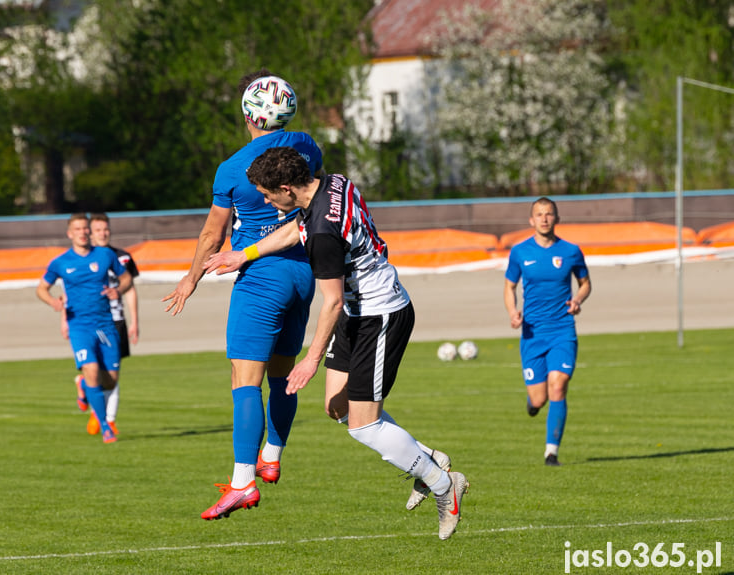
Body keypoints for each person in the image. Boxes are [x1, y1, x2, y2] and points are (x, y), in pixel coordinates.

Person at [205, 146, 469, 541]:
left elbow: (328, 301)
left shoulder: (325, 236)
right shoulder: (333, 183)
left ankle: (445, 486)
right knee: (337, 407)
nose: (263, 201)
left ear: (285, 189)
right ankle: (427, 459)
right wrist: (245, 253)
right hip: (356, 311)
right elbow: (299, 227)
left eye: (266, 193)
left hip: (378, 317)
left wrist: (311, 359)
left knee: (364, 426)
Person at [161, 71, 323, 521]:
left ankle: (242, 483)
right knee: (282, 375)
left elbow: (213, 232)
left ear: (247, 113)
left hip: (260, 277)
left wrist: (189, 280)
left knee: (244, 381)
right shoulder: (306, 146)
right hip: (304, 272)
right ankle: (272, 453)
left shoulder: (232, 169)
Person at [503, 197, 591, 466]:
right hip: (532, 334)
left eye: (549, 214)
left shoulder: (571, 251)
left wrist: (578, 300)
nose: (544, 218)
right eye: (539, 214)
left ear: (557, 218)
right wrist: (513, 312)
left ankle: (551, 452)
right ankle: (533, 403)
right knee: (539, 398)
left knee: (559, 385)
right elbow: (509, 287)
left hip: (562, 330)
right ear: (531, 220)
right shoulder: (520, 252)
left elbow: (585, 283)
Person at [37, 213, 133, 444]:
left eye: (84, 228)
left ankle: (82, 385)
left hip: (106, 325)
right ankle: (104, 427)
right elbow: (41, 288)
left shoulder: (105, 255)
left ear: (89, 231)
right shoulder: (60, 262)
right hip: (79, 326)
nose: (82, 232)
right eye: (77, 229)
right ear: (70, 234)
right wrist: (52, 301)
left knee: (110, 380)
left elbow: (127, 278)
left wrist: (117, 290)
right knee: (91, 369)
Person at [67, 213, 140, 437]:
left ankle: (106, 415)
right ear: (90, 231)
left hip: (115, 321)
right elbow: (70, 293)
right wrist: (64, 320)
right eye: (97, 230)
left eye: (105, 229)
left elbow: (130, 288)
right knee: (94, 369)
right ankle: (106, 418)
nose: (102, 233)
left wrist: (134, 320)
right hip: (87, 323)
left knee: (113, 375)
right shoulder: (81, 258)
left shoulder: (121, 257)